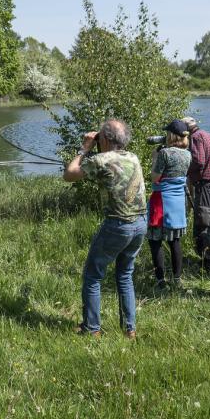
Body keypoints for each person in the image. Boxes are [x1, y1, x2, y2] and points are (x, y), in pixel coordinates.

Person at [63, 119, 147, 339]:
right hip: (140, 224)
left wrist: (85, 148)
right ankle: (129, 329)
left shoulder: (100, 159)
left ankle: (92, 329)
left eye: (100, 135)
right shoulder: (133, 157)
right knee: (125, 274)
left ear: (106, 139)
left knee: (93, 275)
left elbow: (69, 174)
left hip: (117, 224)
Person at [147, 120, 192, 290]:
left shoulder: (164, 154)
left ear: (171, 135)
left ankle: (160, 280)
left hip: (162, 200)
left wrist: (154, 159)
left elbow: (155, 178)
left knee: (155, 240)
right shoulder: (187, 154)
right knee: (175, 241)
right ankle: (177, 278)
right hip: (178, 201)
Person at [183, 116, 210, 272]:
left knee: (203, 223)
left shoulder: (195, 137)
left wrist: (183, 167)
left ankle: (208, 263)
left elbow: (198, 161)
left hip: (207, 184)